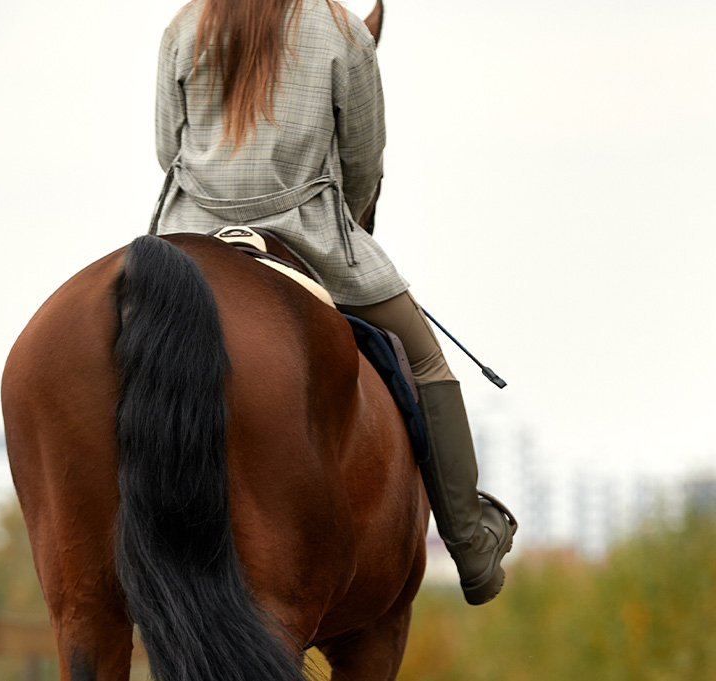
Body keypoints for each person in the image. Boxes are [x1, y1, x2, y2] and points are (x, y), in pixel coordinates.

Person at [149, 0, 516, 605]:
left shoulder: (186, 25)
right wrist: (349, 213)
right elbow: (363, 160)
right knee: (424, 359)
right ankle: (471, 544)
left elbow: (169, 151)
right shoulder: (343, 29)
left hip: (189, 239)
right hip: (310, 238)